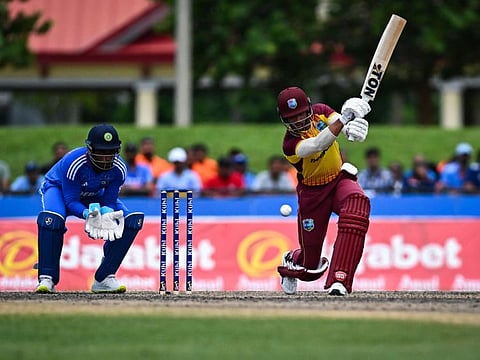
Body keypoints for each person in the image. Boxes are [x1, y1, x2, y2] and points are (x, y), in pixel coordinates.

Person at [275, 86, 371, 296]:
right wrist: (345, 119)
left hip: (338, 180)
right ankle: (291, 261)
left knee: (357, 204)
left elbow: (340, 124)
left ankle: (340, 279)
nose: (299, 120)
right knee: (311, 268)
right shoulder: (290, 145)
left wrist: (352, 127)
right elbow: (318, 144)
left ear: (309, 107)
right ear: (284, 120)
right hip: (312, 194)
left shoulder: (321, 110)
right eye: (292, 118)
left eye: (301, 113)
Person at [34, 124, 144, 294]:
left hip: (94, 192)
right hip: (59, 189)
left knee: (131, 221)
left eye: (111, 152)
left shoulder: (119, 168)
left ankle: (105, 277)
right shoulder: (74, 162)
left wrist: (106, 212)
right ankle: (47, 277)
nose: (107, 158)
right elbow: (71, 201)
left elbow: (110, 199)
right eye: (102, 152)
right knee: (52, 219)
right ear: (90, 149)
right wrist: (88, 214)